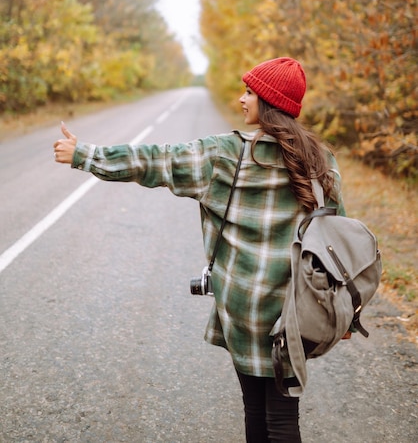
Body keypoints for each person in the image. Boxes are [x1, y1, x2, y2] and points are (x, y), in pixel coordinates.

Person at [53, 57, 345, 443]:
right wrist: (345, 314)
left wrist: (85, 155)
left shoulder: (226, 154)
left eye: (249, 92)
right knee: (283, 416)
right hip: (299, 312)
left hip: (244, 309)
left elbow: (156, 160)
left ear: (270, 103)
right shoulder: (321, 161)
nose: (241, 99)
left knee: (256, 409)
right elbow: (337, 244)